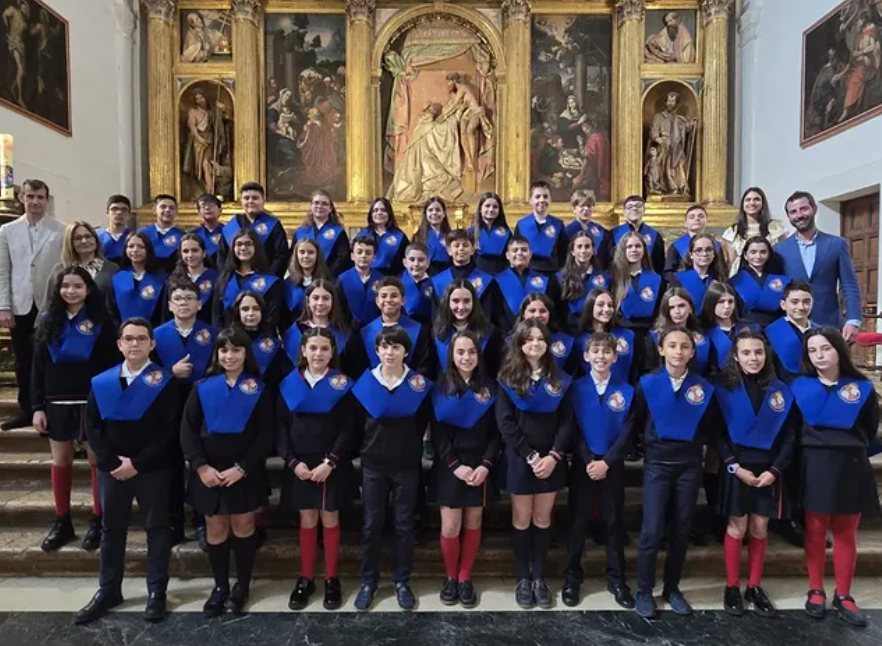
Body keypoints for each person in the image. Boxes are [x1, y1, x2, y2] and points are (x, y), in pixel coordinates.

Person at [611, 326, 719, 619]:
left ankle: (672, 587)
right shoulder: (646, 384)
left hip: (688, 464)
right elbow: (636, 423)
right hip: (658, 463)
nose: (678, 351)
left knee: (682, 528)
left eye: (685, 346)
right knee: (651, 529)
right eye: (672, 345)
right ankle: (645, 590)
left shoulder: (704, 388)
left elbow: (709, 427)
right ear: (661, 350)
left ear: (692, 352)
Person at [76, 318, 179, 625]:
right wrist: (110, 462)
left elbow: (170, 428)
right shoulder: (102, 382)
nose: (135, 344)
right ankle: (109, 590)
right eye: (129, 339)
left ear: (152, 344)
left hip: (153, 468)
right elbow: (92, 425)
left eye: (141, 339)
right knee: (112, 530)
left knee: (157, 529)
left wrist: (137, 463)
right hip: (113, 469)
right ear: (119, 343)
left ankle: (156, 592)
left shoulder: (165, 380)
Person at [181, 326, 274, 617]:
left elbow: (266, 434)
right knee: (216, 528)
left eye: (236, 350)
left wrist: (243, 468)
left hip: (243, 472)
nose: (230, 355)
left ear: (246, 353)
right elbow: (188, 430)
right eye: (224, 350)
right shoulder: (202, 387)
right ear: (216, 354)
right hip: (209, 473)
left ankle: (242, 586)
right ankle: (220, 587)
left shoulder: (258, 388)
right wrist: (201, 466)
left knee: (244, 527)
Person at [793, 327, 880, 628]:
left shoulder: (861, 387)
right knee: (816, 531)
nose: (819, 356)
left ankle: (844, 595)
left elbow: (869, 429)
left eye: (825, 348)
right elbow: (793, 429)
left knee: (845, 533)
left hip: (850, 464)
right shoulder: (799, 387)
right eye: (812, 351)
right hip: (815, 463)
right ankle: (816, 589)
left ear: (839, 349)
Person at [31, 267, 118, 552]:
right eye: (65, 286)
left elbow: (111, 367)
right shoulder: (47, 322)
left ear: (88, 289)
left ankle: (98, 520)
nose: (71, 291)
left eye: (77, 285)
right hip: (56, 401)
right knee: (61, 460)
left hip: (91, 398)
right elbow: (38, 367)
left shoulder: (102, 322)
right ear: (58, 290)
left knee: (95, 460)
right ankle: (62, 520)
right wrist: (36, 406)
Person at [351, 325, 433, 612]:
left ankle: (401, 581)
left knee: (403, 525)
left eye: (396, 347)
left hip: (407, 465)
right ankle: (368, 581)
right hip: (373, 464)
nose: (390, 352)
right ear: (377, 351)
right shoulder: (365, 384)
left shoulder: (417, 384)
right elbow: (356, 424)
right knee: (372, 525)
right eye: (385, 347)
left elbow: (422, 421)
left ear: (406, 351)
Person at [715, 330, 796, 618]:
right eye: (747, 353)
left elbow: (789, 436)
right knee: (737, 527)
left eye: (758, 352)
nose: (753, 358)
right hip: (737, 467)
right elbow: (718, 434)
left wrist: (775, 470)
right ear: (736, 356)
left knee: (760, 528)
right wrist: (734, 466)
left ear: (767, 354)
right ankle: (732, 585)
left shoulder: (780, 389)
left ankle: (754, 586)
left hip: (768, 470)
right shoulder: (724, 388)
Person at [277, 328, 356, 611]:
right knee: (308, 520)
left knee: (330, 519)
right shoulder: (288, 384)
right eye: (313, 348)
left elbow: (349, 428)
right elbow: (281, 427)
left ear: (332, 352)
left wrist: (331, 461)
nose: (318, 354)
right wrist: (292, 461)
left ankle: (331, 579)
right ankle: (306, 577)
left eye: (324, 349)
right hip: (299, 465)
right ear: (303, 351)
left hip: (330, 464)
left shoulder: (342, 384)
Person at [496, 319, 573, 609]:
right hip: (520, 459)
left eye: (541, 339)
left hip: (551, 460)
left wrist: (553, 456)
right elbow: (505, 424)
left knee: (542, 519)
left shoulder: (561, 379)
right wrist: (530, 456)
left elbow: (566, 423)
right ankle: (522, 578)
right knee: (521, 518)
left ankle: (539, 578)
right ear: (519, 344)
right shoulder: (507, 378)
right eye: (529, 339)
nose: (535, 344)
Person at [565, 332, 635, 609]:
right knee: (578, 521)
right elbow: (571, 427)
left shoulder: (627, 391)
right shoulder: (575, 388)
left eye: (607, 352)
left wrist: (607, 461)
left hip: (612, 464)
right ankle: (572, 575)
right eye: (595, 351)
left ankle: (617, 578)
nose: (601, 356)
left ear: (615, 357)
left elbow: (628, 432)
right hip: (583, 464)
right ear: (586, 356)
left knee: (614, 521)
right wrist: (587, 459)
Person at [430, 330, 500, 607]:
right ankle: (449, 575)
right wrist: (455, 466)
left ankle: (464, 576)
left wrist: (485, 465)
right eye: (460, 352)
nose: (466, 357)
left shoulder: (490, 388)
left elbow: (497, 432)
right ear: (451, 355)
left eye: (471, 351)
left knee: (474, 522)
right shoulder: (440, 386)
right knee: (450, 525)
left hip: (480, 465)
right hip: (450, 465)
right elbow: (437, 433)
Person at [153, 279, 218, 547]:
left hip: (204, 409)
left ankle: (202, 521)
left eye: (189, 298)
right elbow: (144, 374)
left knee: (201, 464)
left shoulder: (212, 334)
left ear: (199, 304)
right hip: (168, 410)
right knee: (171, 467)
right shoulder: (155, 336)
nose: (183, 303)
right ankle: (173, 522)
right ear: (169, 305)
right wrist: (170, 373)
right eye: (177, 298)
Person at [0, 178, 65, 430]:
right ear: (21, 198)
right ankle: (27, 409)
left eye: (40, 197)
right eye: (30, 197)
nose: (35, 201)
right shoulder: (7, 231)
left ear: (46, 200)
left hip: (50, 303)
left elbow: (63, 269)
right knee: (23, 360)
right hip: (21, 303)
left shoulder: (60, 229)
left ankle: (49, 408)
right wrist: (4, 306)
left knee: (50, 358)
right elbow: (3, 270)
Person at [775, 190, 862, 340]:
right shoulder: (780, 250)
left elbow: (849, 284)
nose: (799, 215)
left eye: (804, 209)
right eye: (793, 212)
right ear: (789, 216)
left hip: (828, 323)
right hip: (793, 326)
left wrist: (853, 320)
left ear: (814, 209)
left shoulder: (836, 244)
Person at [355, 276, 434, 377]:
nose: (388, 300)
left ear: (403, 300)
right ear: (377, 301)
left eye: (394, 296)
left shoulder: (420, 331)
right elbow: (359, 369)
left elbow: (424, 367)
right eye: (383, 296)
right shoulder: (364, 333)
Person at [212, 229, 281, 332]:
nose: (243, 248)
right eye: (239, 244)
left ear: (256, 247)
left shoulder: (270, 281)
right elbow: (217, 315)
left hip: (260, 340)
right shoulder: (223, 280)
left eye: (248, 244)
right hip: (230, 342)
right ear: (233, 248)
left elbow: (273, 316)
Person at [218, 182, 291, 279]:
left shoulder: (274, 225)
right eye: (246, 198)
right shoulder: (232, 225)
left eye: (255, 198)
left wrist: (270, 281)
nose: (250, 201)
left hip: (265, 283)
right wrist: (228, 278)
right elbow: (222, 255)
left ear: (263, 200)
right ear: (241, 201)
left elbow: (281, 256)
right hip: (236, 281)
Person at [492, 234, 562, 335]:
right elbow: (496, 314)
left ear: (530, 254)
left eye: (524, 250)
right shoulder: (497, 281)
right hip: (508, 336)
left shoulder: (546, 280)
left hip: (540, 334)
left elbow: (552, 310)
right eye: (515, 250)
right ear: (507, 255)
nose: (519, 253)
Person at [433, 279, 502, 377]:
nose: (461, 307)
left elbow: (494, 370)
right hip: (444, 390)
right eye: (455, 301)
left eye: (466, 301)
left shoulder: (490, 333)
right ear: (447, 302)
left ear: (474, 302)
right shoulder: (435, 332)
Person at [611, 231, 664, 353]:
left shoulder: (656, 279)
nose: (634, 250)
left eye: (638, 246)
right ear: (623, 251)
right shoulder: (613, 279)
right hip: (621, 334)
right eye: (629, 247)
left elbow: (660, 310)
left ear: (644, 250)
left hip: (649, 334)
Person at [284, 280, 353, 372]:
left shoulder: (344, 335)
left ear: (333, 301)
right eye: (315, 298)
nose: (320, 303)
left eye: (326, 298)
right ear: (308, 301)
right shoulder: (294, 332)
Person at [43, 221, 119, 305]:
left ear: (96, 240)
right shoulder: (59, 270)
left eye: (88, 236)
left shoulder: (112, 269)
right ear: (69, 243)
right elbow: (47, 305)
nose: (84, 241)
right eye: (78, 238)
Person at [231, 291, 293, 392]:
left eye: (256, 309)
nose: (250, 313)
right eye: (245, 309)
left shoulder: (273, 344)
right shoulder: (229, 341)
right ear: (238, 312)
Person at [574, 288, 640, 384]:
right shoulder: (579, 341)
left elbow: (636, 369)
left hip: (623, 394)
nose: (607, 309)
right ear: (590, 307)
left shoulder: (628, 336)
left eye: (610, 305)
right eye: (601, 305)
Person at [431, 229, 495, 322]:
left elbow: (488, 315)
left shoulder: (486, 280)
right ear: (449, 251)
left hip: (477, 331)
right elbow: (436, 316)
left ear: (472, 250)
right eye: (456, 246)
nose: (461, 248)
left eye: (465, 245)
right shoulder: (438, 281)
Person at [722, 187, 788, 276]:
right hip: (741, 277)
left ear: (763, 203)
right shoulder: (733, 232)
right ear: (742, 204)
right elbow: (729, 262)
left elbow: (783, 257)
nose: (752, 203)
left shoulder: (776, 228)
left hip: (771, 275)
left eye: (756, 199)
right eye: (748, 200)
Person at [107, 232, 167, 328]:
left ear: (148, 249)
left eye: (141, 247)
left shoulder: (161, 279)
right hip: (123, 334)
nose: (135, 250)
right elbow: (111, 310)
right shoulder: (117, 278)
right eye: (130, 246)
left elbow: (163, 312)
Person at [699, 282, 760, 373]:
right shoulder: (704, 334)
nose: (727, 306)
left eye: (730, 301)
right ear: (711, 303)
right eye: (721, 302)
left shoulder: (752, 327)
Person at [558, 230, 612, 334]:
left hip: (596, 331)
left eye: (587, 246)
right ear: (572, 251)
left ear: (593, 250)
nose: (583, 251)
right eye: (579, 247)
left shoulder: (605, 278)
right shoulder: (560, 278)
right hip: (570, 333)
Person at [730, 236, 791, 326]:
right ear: (745, 255)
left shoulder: (781, 280)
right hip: (747, 329)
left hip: (776, 327)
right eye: (753, 252)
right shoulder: (735, 282)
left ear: (769, 254)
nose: (758, 256)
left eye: (763, 252)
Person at [765, 280, 818, 382]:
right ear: (783, 304)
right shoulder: (770, 333)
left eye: (806, 302)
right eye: (795, 302)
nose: (801, 307)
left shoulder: (821, 332)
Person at [512, 293, 577, 374]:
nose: (537, 315)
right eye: (532, 311)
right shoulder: (510, 341)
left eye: (542, 311)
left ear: (550, 314)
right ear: (523, 314)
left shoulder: (567, 342)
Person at [293, 190, 351, 278]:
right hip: (304, 278)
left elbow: (342, 258)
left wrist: (326, 275)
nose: (320, 206)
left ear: (330, 208)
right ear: (311, 206)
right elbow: (293, 257)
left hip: (330, 278)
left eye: (324, 204)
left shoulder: (338, 232)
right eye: (316, 203)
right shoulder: (300, 231)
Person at [514, 181, 568, 275]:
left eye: (545, 196)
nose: (542, 200)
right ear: (531, 200)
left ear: (550, 199)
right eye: (537, 197)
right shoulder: (521, 225)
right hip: (527, 274)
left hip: (552, 276)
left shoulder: (558, 225)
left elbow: (563, 254)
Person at [668, 233, 727, 316]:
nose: (704, 254)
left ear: (714, 254)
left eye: (709, 249)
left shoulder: (720, 278)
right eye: (699, 250)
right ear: (691, 254)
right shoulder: (678, 279)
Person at [167, 233, 218, 325]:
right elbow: (166, 314)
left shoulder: (217, 278)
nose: (190, 255)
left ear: (204, 253)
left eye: (195, 250)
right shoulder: (173, 280)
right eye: (185, 251)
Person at [282, 237, 331, 332]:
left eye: (311, 252)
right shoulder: (287, 285)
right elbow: (283, 318)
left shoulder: (328, 283)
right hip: (295, 336)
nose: (306, 256)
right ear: (296, 255)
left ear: (318, 256)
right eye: (302, 252)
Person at [335, 235, 383, 327]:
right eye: (359, 252)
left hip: (375, 329)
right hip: (348, 330)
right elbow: (338, 309)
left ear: (374, 257)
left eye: (368, 253)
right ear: (352, 256)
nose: (363, 256)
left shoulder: (381, 279)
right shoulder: (342, 279)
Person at [611, 195, 665, 275]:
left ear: (644, 210)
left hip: (647, 280)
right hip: (620, 279)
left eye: (638, 206)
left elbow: (659, 265)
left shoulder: (655, 235)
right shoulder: (613, 234)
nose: (634, 209)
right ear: (624, 212)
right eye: (630, 207)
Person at [664, 205, 720, 280]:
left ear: (706, 220)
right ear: (686, 223)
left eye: (701, 216)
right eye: (692, 217)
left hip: (711, 287)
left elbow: (721, 270)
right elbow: (668, 272)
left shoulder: (716, 246)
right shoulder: (676, 246)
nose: (697, 219)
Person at [357, 197, 409, 277]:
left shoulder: (400, 236)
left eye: (383, 210)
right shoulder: (362, 235)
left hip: (391, 280)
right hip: (366, 278)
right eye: (375, 210)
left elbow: (406, 263)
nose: (379, 213)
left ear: (389, 213)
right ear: (371, 214)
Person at [565, 190, 612, 270]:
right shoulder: (565, 232)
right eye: (582, 206)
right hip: (573, 274)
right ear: (574, 208)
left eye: (589, 206)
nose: (586, 209)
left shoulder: (603, 232)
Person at [139, 194, 185, 275]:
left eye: (171, 208)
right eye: (163, 207)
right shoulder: (142, 234)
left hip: (173, 278)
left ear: (176, 212)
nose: (167, 210)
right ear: (154, 210)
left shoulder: (182, 236)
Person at [471, 192, 511, 276]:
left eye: (495, 207)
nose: (491, 209)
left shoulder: (507, 233)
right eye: (487, 206)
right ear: (480, 209)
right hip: (477, 277)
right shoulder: (470, 232)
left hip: (501, 276)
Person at [412, 197, 452, 275]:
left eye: (438, 210)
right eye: (430, 210)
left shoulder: (451, 236)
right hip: (424, 275)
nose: (434, 213)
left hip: (446, 276)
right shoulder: (417, 237)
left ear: (444, 213)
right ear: (425, 214)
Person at [401, 242, 435, 326]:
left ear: (428, 263)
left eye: (421, 260)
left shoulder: (436, 283)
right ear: (405, 262)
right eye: (412, 259)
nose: (416, 264)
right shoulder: (397, 284)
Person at [98, 195, 133, 264]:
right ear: (107, 213)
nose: (119, 212)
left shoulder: (135, 237)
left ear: (129, 215)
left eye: (124, 210)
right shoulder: (97, 238)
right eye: (114, 209)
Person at [191, 194, 225, 265]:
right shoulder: (192, 235)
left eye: (211, 205)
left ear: (220, 210)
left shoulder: (228, 232)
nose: (207, 208)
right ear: (199, 212)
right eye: (203, 206)